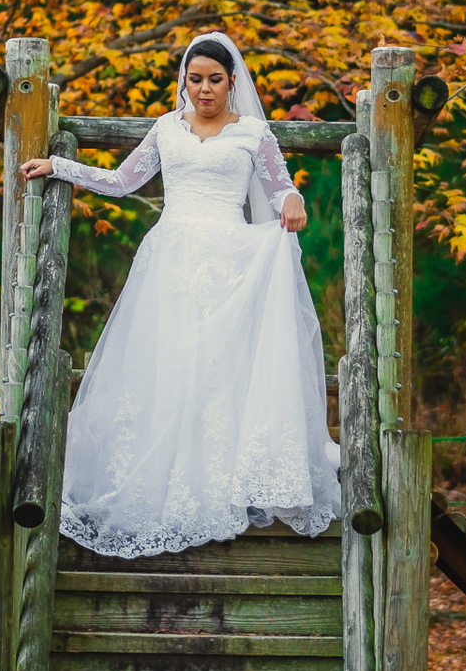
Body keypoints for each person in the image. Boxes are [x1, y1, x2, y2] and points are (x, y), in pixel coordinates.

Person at [19, 31, 342, 559]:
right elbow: (125, 181)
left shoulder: (253, 133)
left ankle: (223, 483)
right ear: (184, 82)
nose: (205, 89)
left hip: (232, 259)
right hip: (171, 259)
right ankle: (162, 483)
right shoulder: (167, 129)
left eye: (215, 80)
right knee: (168, 366)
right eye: (196, 80)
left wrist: (294, 197)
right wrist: (61, 168)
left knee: (220, 370)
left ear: (231, 82)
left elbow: (277, 185)